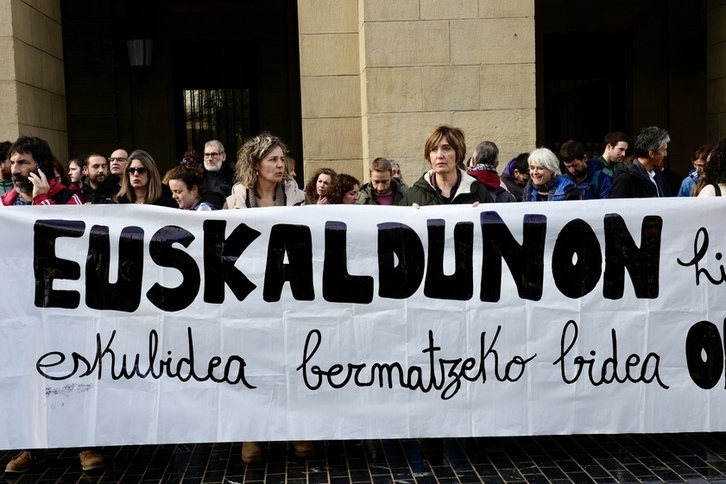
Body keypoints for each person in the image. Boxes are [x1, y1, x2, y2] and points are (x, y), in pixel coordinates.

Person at [223, 132, 310, 462]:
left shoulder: (297, 196)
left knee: (292, 360)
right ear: (255, 164)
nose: (280, 164)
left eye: (282, 158)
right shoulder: (235, 200)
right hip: (250, 298)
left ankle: (296, 429)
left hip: (289, 293)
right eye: (272, 159)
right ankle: (253, 433)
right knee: (253, 362)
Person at [399, 125, 493, 206]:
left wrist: (484, 216)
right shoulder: (413, 196)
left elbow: (498, 226)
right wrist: (411, 217)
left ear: (458, 155)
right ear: (429, 156)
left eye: (446, 149)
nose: (439, 156)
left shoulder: (479, 193)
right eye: (434, 149)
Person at [1, 136, 83, 206]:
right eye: (12, 163)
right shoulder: (3, 203)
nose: (15, 171)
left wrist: (41, 200)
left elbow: (72, 224)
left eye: (22, 163)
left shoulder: (69, 198)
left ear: (42, 165)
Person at [610, 126, 671, 198]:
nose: (665, 154)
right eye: (663, 150)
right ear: (651, 154)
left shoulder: (658, 175)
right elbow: (617, 207)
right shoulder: (625, 179)